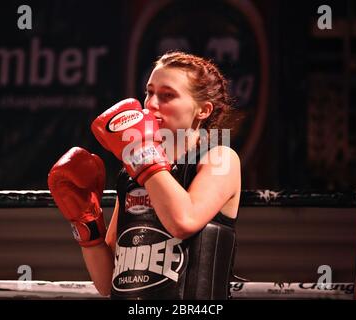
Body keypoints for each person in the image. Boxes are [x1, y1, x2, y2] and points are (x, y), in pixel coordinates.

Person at [48, 51, 241, 299]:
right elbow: (108, 282)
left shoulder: (219, 158)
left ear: (202, 110)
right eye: (149, 92)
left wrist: (142, 155)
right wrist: (87, 224)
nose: (151, 104)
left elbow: (183, 221)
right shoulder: (131, 174)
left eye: (167, 95)